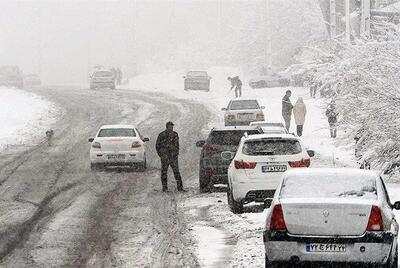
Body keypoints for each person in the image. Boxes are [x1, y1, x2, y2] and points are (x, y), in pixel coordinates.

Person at [156, 121, 185, 192]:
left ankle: (180, 187)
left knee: (176, 172)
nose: (171, 127)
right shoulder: (162, 135)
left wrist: (176, 153)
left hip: (172, 156)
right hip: (166, 157)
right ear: (167, 126)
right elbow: (157, 146)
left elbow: (177, 145)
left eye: (172, 126)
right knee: (164, 172)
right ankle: (165, 188)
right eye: (170, 126)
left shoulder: (174, 134)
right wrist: (161, 155)